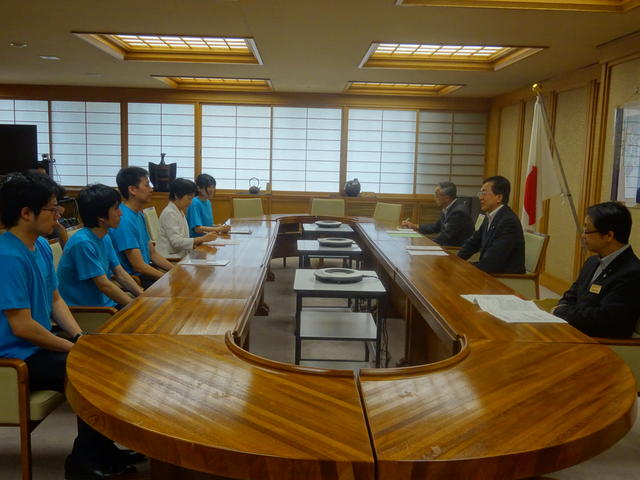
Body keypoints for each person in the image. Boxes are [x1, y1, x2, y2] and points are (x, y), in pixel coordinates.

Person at [0, 172, 143, 479]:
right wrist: (73, 346)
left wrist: (79, 336)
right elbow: (22, 327)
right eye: (52, 208)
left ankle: (101, 450)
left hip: (38, 345)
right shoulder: (7, 256)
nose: (60, 213)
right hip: (15, 356)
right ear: (26, 213)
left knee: (107, 356)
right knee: (91, 366)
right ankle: (84, 462)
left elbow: (54, 301)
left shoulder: (37, 245)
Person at [553, 202, 640, 338]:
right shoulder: (592, 262)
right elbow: (570, 296)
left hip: (602, 345)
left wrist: (561, 312)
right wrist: (563, 308)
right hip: (574, 331)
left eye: (587, 231)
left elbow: (603, 320)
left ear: (609, 236)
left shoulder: (632, 273)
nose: (583, 236)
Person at [57, 184, 143, 309]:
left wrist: (143, 297)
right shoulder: (83, 243)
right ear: (101, 217)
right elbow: (104, 285)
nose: (121, 213)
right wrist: (136, 307)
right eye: (116, 208)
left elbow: (119, 273)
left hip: (106, 305)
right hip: (89, 312)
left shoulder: (104, 236)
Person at [108, 167, 173, 289]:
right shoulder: (124, 219)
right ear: (132, 189)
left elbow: (153, 254)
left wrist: (175, 271)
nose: (151, 189)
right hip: (135, 279)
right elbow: (139, 266)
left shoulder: (139, 214)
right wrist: (169, 277)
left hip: (146, 272)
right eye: (147, 185)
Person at [457, 175, 525, 274]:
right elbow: (472, 243)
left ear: (499, 197)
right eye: (480, 193)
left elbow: (491, 262)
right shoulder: (489, 216)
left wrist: (463, 267)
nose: (480, 198)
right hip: (490, 273)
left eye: (484, 193)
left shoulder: (508, 222)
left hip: (505, 279)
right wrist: (456, 260)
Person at [156, 178, 218, 258]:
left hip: (181, 254)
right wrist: (202, 239)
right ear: (177, 195)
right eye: (189, 198)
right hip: (171, 258)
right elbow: (176, 242)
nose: (191, 202)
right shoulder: (170, 213)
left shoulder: (178, 210)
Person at [401, 181, 474, 246]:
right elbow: (435, 227)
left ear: (447, 198)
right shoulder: (448, 208)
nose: (435, 197)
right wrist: (414, 226)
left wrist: (423, 243)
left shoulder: (458, 212)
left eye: (437, 195)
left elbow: (445, 237)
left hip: (456, 250)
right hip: (448, 247)